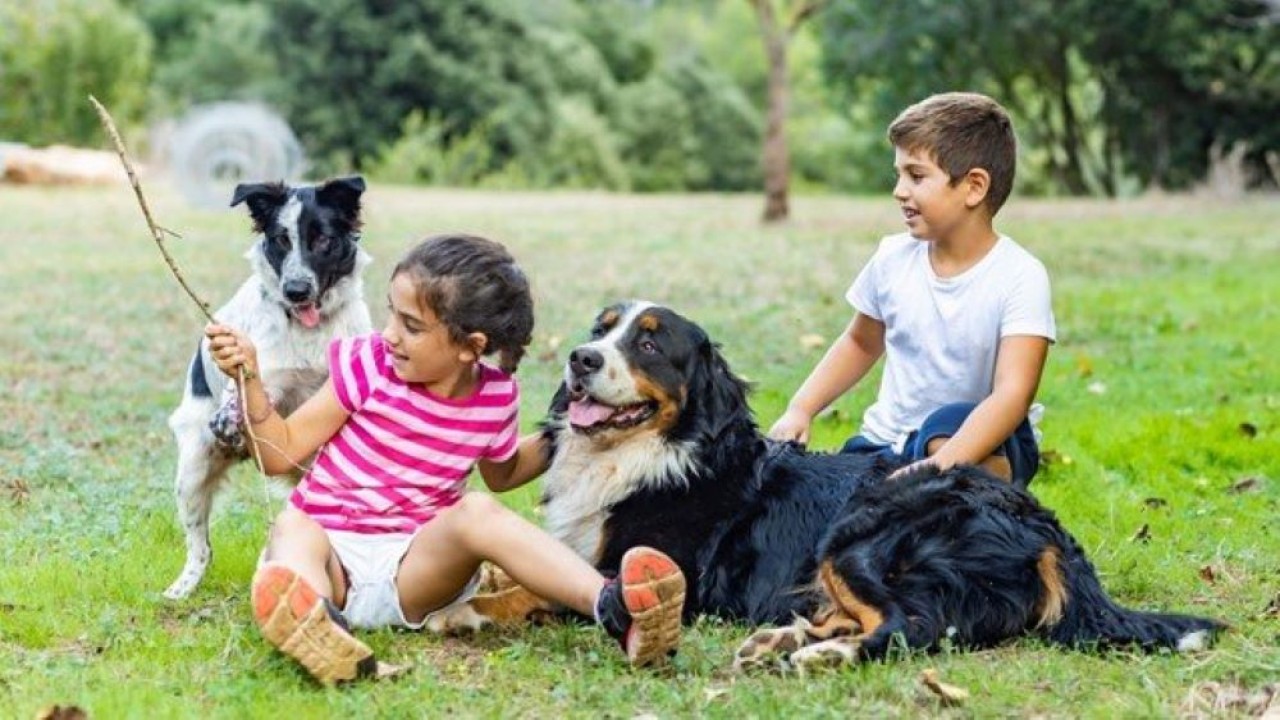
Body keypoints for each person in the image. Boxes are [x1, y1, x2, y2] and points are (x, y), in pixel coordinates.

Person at [205, 234, 685, 685]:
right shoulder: (366, 364)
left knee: (477, 511)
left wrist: (578, 431)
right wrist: (250, 381)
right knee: (294, 525)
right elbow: (280, 454)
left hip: (416, 570)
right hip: (330, 560)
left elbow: (503, 475)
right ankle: (317, 624)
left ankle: (616, 610)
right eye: (392, 315)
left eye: (411, 326)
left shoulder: (495, 397)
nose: (390, 335)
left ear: (471, 347)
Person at [769, 92, 1056, 488]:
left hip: (983, 439)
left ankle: (984, 488)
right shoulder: (892, 258)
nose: (899, 190)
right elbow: (859, 343)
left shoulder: (1020, 275)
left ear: (974, 187)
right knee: (827, 499)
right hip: (888, 443)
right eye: (899, 175)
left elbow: (1013, 394)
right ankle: (921, 491)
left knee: (943, 428)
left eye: (916, 176)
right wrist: (801, 409)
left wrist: (933, 468)